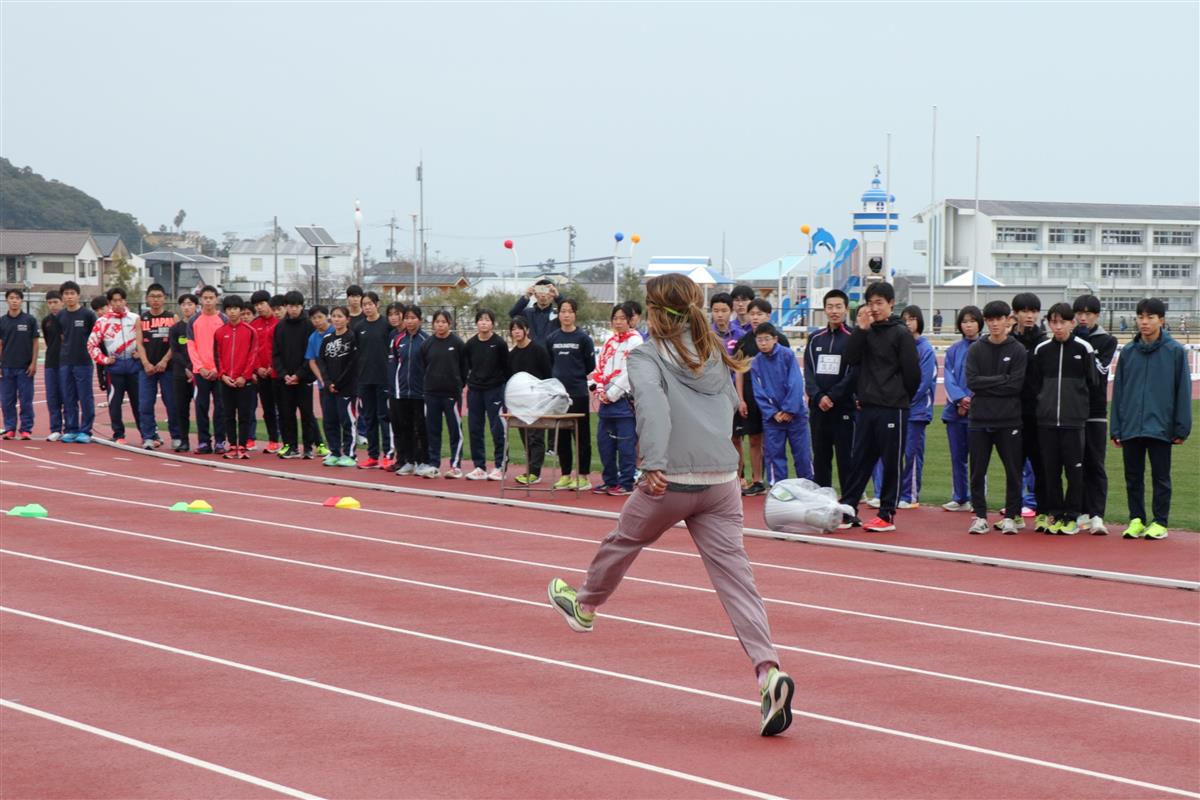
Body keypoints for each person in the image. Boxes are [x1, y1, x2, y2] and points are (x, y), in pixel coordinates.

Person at [547, 273, 794, 738]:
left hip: (671, 480)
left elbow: (653, 411)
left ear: (656, 312)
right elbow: (726, 408)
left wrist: (655, 463)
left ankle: (584, 606)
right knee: (737, 581)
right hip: (722, 481)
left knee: (623, 540)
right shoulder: (714, 350)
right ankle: (768, 671)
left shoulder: (646, 354)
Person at [836, 283, 920, 532]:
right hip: (867, 407)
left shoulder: (901, 333)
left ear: (891, 303)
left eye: (879, 303)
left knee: (891, 461)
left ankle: (886, 513)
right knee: (860, 459)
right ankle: (849, 508)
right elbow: (850, 360)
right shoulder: (865, 331)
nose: (874, 308)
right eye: (871, 303)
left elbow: (912, 374)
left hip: (893, 408)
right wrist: (861, 330)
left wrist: (899, 397)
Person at [1111, 298, 1192, 541]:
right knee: (1132, 476)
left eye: (1150, 317)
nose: (1144, 322)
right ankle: (1136, 519)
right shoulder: (1128, 352)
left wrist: (1181, 427)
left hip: (1161, 426)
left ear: (1162, 320)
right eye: (1141, 317)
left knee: (1161, 477)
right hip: (1131, 425)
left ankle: (1159, 521)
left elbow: (1183, 391)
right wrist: (1116, 427)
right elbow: (1119, 392)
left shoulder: (1175, 351)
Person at [1029, 302, 1097, 535]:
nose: (1057, 327)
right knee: (1050, 470)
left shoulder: (1084, 348)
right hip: (1046, 421)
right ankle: (1055, 513)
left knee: (1074, 470)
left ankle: (1072, 515)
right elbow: (1035, 383)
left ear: (1072, 322)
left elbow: (1092, 383)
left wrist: (1078, 409)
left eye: (1062, 322)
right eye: (1053, 322)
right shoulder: (1042, 350)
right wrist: (1043, 405)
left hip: (1073, 421)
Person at [965, 300, 1027, 535]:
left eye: (998, 319)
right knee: (977, 470)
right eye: (990, 320)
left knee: (1012, 470)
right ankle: (980, 515)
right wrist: (1002, 378)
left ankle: (1011, 515)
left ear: (1008, 320)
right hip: (979, 419)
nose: (994, 324)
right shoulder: (976, 349)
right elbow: (972, 382)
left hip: (1009, 420)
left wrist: (988, 383)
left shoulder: (1017, 350)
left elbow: (1016, 385)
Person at [1072, 294, 1118, 535]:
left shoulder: (1107, 340)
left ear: (1096, 316)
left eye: (1088, 313)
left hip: (1096, 410)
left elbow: (1098, 371)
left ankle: (1098, 514)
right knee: (1075, 463)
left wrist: (1084, 346)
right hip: (1071, 411)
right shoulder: (1067, 339)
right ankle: (1081, 511)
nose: (1082, 317)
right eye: (1079, 313)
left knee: (1095, 463)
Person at [733, 298, 787, 496]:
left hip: (774, 400)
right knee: (753, 439)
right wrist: (740, 398)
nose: (755, 318)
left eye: (759, 314)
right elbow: (738, 371)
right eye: (752, 314)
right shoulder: (744, 341)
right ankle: (754, 480)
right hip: (749, 397)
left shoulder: (780, 339)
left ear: (768, 316)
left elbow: (787, 371)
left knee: (773, 440)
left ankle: (776, 480)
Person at [804, 289, 856, 491]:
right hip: (818, 410)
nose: (834, 311)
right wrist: (818, 397)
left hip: (842, 409)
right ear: (824, 309)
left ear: (846, 309)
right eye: (830, 307)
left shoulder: (853, 337)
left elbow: (853, 373)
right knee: (821, 460)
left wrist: (832, 397)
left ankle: (848, 507)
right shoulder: (815, 338)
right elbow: (809, 372)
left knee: (846, 460)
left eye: (838, 307)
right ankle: (822, 504)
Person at [589, 303, 643, 495]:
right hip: (605, 405)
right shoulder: (609, 342)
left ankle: (627, 482)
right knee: (605, 444)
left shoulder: (636, 342)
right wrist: (600, 390)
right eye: (615, 318)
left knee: (626, 445)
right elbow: (599, 368)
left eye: (622, 318)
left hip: (624, 404)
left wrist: (612, 394)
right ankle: (610, 480)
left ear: (630, 320)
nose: (618, 322)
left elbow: (631, 373)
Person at [751, 322, 812, 484]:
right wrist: (772, 412)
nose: (763, 343)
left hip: (796, 415)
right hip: (773, 419)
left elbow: (796, 383)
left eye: (766, 339)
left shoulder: (787, 355)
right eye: (759, 340)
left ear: (775, 339)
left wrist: (789, 410)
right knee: (774, 456)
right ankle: (778, 490)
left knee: (802, 455)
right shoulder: (756, 362)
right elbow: (758, 392)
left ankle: (807, 487)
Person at [546, 298, 595, 490]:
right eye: (562, 311)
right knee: (562, 437)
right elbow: (550, 363)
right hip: (559, 395)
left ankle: (583, 476)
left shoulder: (583, 339)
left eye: (569, 311)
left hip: (579, 393)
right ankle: (565, 474)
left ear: (575, 314)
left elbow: (590, 365)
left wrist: (575, 378)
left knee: (581, 436)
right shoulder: (552, 338)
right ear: (559, 314)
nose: (566, 314)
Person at [940, 305, 983, 512]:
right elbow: (948, 377)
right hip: (955, 413)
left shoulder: (986, 347)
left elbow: (984, 379)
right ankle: (960, 497)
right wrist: (960, 400)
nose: (968, 325)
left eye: (972, 321)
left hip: (978, 413)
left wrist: (971, 400)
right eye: (965, 321)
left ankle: (978, 498)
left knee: (978, 459)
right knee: (957, 458)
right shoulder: (954, 350)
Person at [86, 287, 142, 445]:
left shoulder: (135, 318)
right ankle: (119, 434)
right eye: (114, 301)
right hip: (115, 367)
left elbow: (145, 341)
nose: (118, 303)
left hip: (134, 367)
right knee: (115, 403)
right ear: (110, 303)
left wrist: (141, 354)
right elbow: (91, 345)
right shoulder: (103, 321)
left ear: (125, 301)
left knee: (139, 402)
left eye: (120, 300)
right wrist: (104, 360)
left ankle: (147, 434)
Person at [1011, 292, 1048, 529]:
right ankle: (1013, 513)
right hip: (1013, 414)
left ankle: (1043, 512)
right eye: (1024, 311)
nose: (1029, 315)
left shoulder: (1044, 342)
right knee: (1014, 465)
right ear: (1015, 313)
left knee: (1041, 465)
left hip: (1039, 414)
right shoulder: (1009, 342)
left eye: (1033, 311)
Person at [418, 309, 468, 479]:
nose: (440, 325)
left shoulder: (458, 343)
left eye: (444, 322)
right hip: (431, 393)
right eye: (437, 322)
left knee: (455, 430)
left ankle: (455, 465)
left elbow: (464, 368)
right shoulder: (427, 344)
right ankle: (433, 464)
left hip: (451, 394)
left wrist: (459, 385)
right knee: (433, 431)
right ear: (433, 324)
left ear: (450, 324)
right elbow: (424, 366)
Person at [464, 308, 510, 480]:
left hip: (494, 390)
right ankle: (479, 466)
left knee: (497, 428)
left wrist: (501, 388)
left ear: (492, 323)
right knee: (475, 428)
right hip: (475, 390)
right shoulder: (470, 344)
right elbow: (467, 366)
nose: (483, 323)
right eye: (480, 320)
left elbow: (506, 368)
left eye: (487, 320)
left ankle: (500, 466)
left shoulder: (499, 343)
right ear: (476, 323)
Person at [272, 290, 319, 459]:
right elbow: (275, 354)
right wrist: (284, 374)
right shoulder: (280, 327)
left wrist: (299, 374)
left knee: (306, 414)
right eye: (290, 306)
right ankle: (290, 446)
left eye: (297, 306)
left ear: (302, 306)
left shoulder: (308, 326)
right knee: (286, 414)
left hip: (304, 378)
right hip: (284, 380)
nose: (293, 309)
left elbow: (311, 354)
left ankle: (308, 447)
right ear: (286, 307)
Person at [507, 316, 553, 485]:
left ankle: (535, 472)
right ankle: (530, 468)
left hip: (537, 400)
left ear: (527, 330)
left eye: (519, 328)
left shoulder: (538, 350)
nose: (516, 332)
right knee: (525, 435)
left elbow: (547, 375)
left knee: (536, 436)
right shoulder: (512, 355)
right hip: (520, 403)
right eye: (513, 329)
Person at [212, 295, 257, 459]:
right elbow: (217, 356)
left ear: (241, 310)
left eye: (235, 309)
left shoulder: (250, 331)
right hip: (226, 381)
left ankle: (243, 446)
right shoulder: (219, 332)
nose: (232, 312)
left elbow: (253, 355)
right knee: (228, 414)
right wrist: (222, 375)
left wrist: (244, 376)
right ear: (225, 311)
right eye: (229, 309)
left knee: (244, 414)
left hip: (244, 381)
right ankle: (232, 445)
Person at [354, 291, 393, 469]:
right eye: (364, 304)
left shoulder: (386, 325)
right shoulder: (359, 327)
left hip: (383, 378)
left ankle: (389, 454)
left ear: (377, 304)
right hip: (364, 379)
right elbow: (356, 353)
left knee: (384, 417)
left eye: (370, 304)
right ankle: (372, 455)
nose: (367, 307)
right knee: (369, 418)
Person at [187, 285, 228, 454]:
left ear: (217, 299)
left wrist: (217, 369)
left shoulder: (224, 319)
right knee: (201, 407)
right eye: (206, 298)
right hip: (200, 373)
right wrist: (200, 367)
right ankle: (204, 441)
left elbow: (226, 347)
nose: (209, 301)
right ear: (201, 300)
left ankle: (220, 441)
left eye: (212, 298)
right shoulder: (194, 321)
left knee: (221, 407)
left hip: (219, 373)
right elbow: (191, 346)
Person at [317, 306, 358, 467]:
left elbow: (352, 364)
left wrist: (339, 383)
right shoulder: (327, 339)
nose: (336, 319)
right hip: (329, 388)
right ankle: (334, 451)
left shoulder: (352, 338)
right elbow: (322, 362)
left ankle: (350, 454)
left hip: (346, 388)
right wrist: (327, 382)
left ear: (347, 319)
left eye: (340, 316)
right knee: (330, 420)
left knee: (347, 421)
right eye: (334, 316)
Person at [137, 283, 177, 450]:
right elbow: (139, 343)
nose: (156, 300)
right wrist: (146, 363)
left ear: (165, 299)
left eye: (159, 296)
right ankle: (149, 436)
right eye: (152, 296)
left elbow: (175, 344)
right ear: (147, 298)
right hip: (147, 369)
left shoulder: (172, 318)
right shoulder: (142, 319)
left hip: (167, 369)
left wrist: (164, 361)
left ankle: (176, 436)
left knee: (172, 403)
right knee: (145, 404)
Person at [390, 304, 429, 476]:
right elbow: (395, 363)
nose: (410, 321)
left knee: (421, 427)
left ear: (419, 320)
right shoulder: (398, 340)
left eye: (413, 318)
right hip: (402, 391)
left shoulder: (426, 340)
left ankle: (423, 461)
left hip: (420, 392)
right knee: (405, 427)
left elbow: (429, 365)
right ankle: (409, 460)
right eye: (407, 318)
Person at [57, 281, 98, 443]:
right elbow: (62, 337)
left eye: (72, 293)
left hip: (83, 362)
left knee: (85, 396)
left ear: (78, 295)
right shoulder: (60, 315)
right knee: (68, 397)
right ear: (63, 297)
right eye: (66, 294)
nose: (69, 297)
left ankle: (86, 430)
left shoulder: (88, 315)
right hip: (66, 362)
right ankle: (71, 429)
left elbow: (94, 338)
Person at [0, 288, 39, 439]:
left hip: (25, 368)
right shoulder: (2, 321)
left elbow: (35, 343)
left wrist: (33, 363)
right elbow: (1, 344)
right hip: (7, 368)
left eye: (17, 298)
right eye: (11, 298)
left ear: (21, 300)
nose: (14, 300)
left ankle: (26, 429)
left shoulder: (29, 320)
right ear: (7, 300)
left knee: (26, 401)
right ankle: (10, 428)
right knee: (6, 401)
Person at [248, 290, 282, 453]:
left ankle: (291, 442)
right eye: (256, 305)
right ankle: (273, 440)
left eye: (262, 304)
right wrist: (257, 368)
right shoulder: (254, 325)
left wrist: (273, 367)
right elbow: (251, 350)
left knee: (284, 408)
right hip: (262, 374)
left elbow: (282, 349)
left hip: (278, 373)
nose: (259, 308)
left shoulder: (279, 322)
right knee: (267, 408)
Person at [168, 294, 197, 452]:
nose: (187, 307)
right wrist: (186, 367)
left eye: (190, 304)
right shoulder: (175, 328)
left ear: (195, 306)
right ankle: (184, 440)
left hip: (199, 372)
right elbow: (176, 351)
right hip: (180, 373)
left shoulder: (199, 325)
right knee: (181, 408)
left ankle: (204, 440)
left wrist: (194, 368)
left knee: (201, 407)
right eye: (184, 304)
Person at [304, 305, 332, 458]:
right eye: (314, 318)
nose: (317, 321)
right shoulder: (313, 337)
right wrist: (321, 379)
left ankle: (348, 449)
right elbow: (312, 361)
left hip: (341, 383)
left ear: (327, 316)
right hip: (323, 384)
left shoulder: (336, 332)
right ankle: (333, 448)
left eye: (320, 317)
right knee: (327, 417)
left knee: (344, 418)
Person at [40, 290, 65, 441]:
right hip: (51, 363)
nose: (53, 305)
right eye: (50, 303)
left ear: (61, 302)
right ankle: (55, 428)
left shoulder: (67, 318)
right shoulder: (46, 321)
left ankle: (70, 428)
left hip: (66, 363)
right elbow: (49, 341)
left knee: (67, 397)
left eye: (55, 302)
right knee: (52, 397)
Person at [509, 279, 561, 344]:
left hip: (551, 352)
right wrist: (526, 297)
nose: (543, 295)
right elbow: (513, 314)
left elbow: (570, 311)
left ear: (552, 295)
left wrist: (558, 297)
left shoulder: (558, 314)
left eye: (546, 292)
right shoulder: (527, 313)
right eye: (540, 291)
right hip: (531, 351)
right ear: (535, 294)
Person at [90, 296, 110, 409]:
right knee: (113, 402)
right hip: (108, 366)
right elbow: (98, 352)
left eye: (102, 308)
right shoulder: (98, 326)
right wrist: (100, 377)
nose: (100, 312)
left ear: (109, 306)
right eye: (97, 311)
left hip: (128, 366)